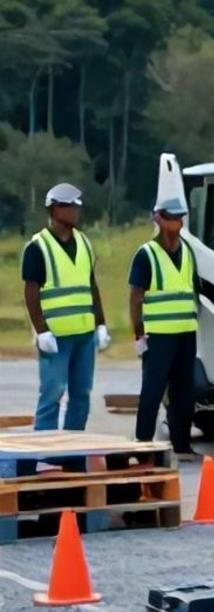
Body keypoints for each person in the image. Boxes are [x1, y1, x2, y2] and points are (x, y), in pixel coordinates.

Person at [23, 183, 110, 431]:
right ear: (55, 210)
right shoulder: (37, 247)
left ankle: (73, 449)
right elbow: (31, 292)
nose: (76, 211)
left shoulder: (84, 243)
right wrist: (41, 331)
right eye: (70, 206)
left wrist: (101, 323)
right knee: (52, 394)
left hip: (84, 335)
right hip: (55, 336)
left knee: (81, 394)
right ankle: (45, 448)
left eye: (77, 206)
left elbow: (91, 286)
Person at [129, 198, 200, 459]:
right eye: (171, 218)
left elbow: (194, 289)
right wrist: (138, 334)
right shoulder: (146, 254)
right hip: (158, 336)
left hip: (185, 333)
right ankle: (143, 443)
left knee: (184, 391)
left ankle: (181, 444)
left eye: (180, 218)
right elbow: (135, 296)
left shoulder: (187, 251)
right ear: (158, 218)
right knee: (153, 389)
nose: (177, 223)